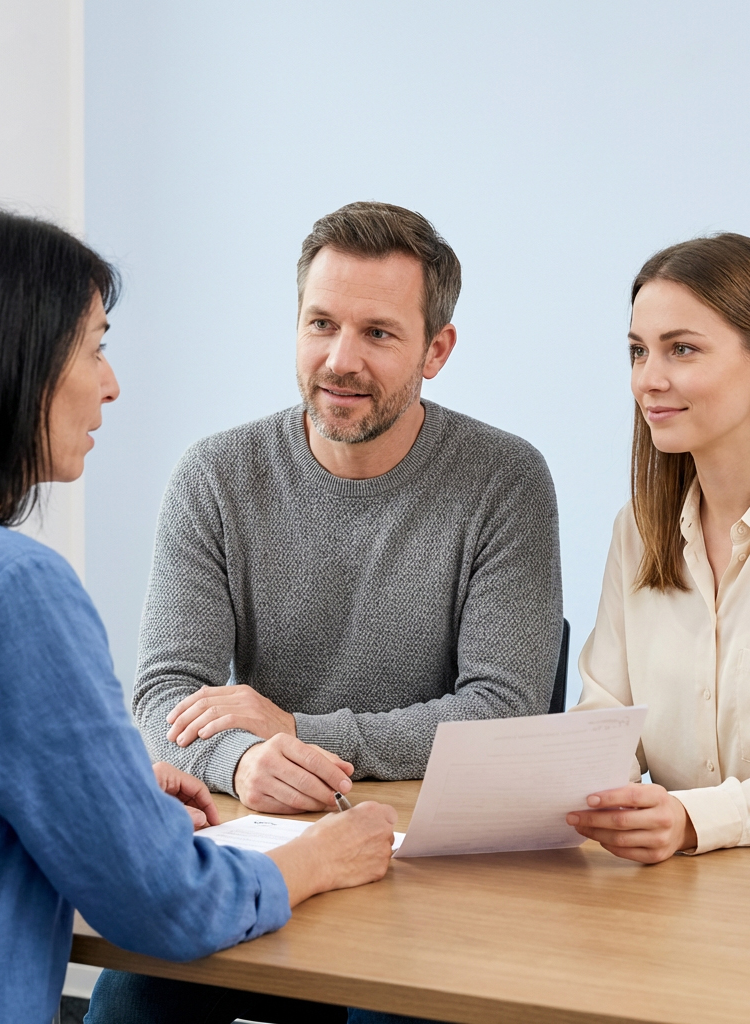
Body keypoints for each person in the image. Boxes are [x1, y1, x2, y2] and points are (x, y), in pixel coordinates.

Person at [0, 203, 397, 1024]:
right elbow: (165, 903)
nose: (112, 383)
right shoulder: (7, 589)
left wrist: (103, 789)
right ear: (10, 365)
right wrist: (319, 858)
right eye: (95, 347)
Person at [134, 201, 564, 814]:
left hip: (438, 831)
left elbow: (503, 713)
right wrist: (240, 760)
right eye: (321, 324)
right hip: (274, 824)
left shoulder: (505, 479)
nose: (339, 361)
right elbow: (165, 692)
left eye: (377, 333)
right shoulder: (214, 476)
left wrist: (296, 731)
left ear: (436, 350)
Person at [568, 233, 750, 863]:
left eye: (682, 349)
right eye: (638, 351)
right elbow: (606, 719)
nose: (648, 380)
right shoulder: (638, 530)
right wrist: (592, 793)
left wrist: (690, 819)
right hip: (673, 889)